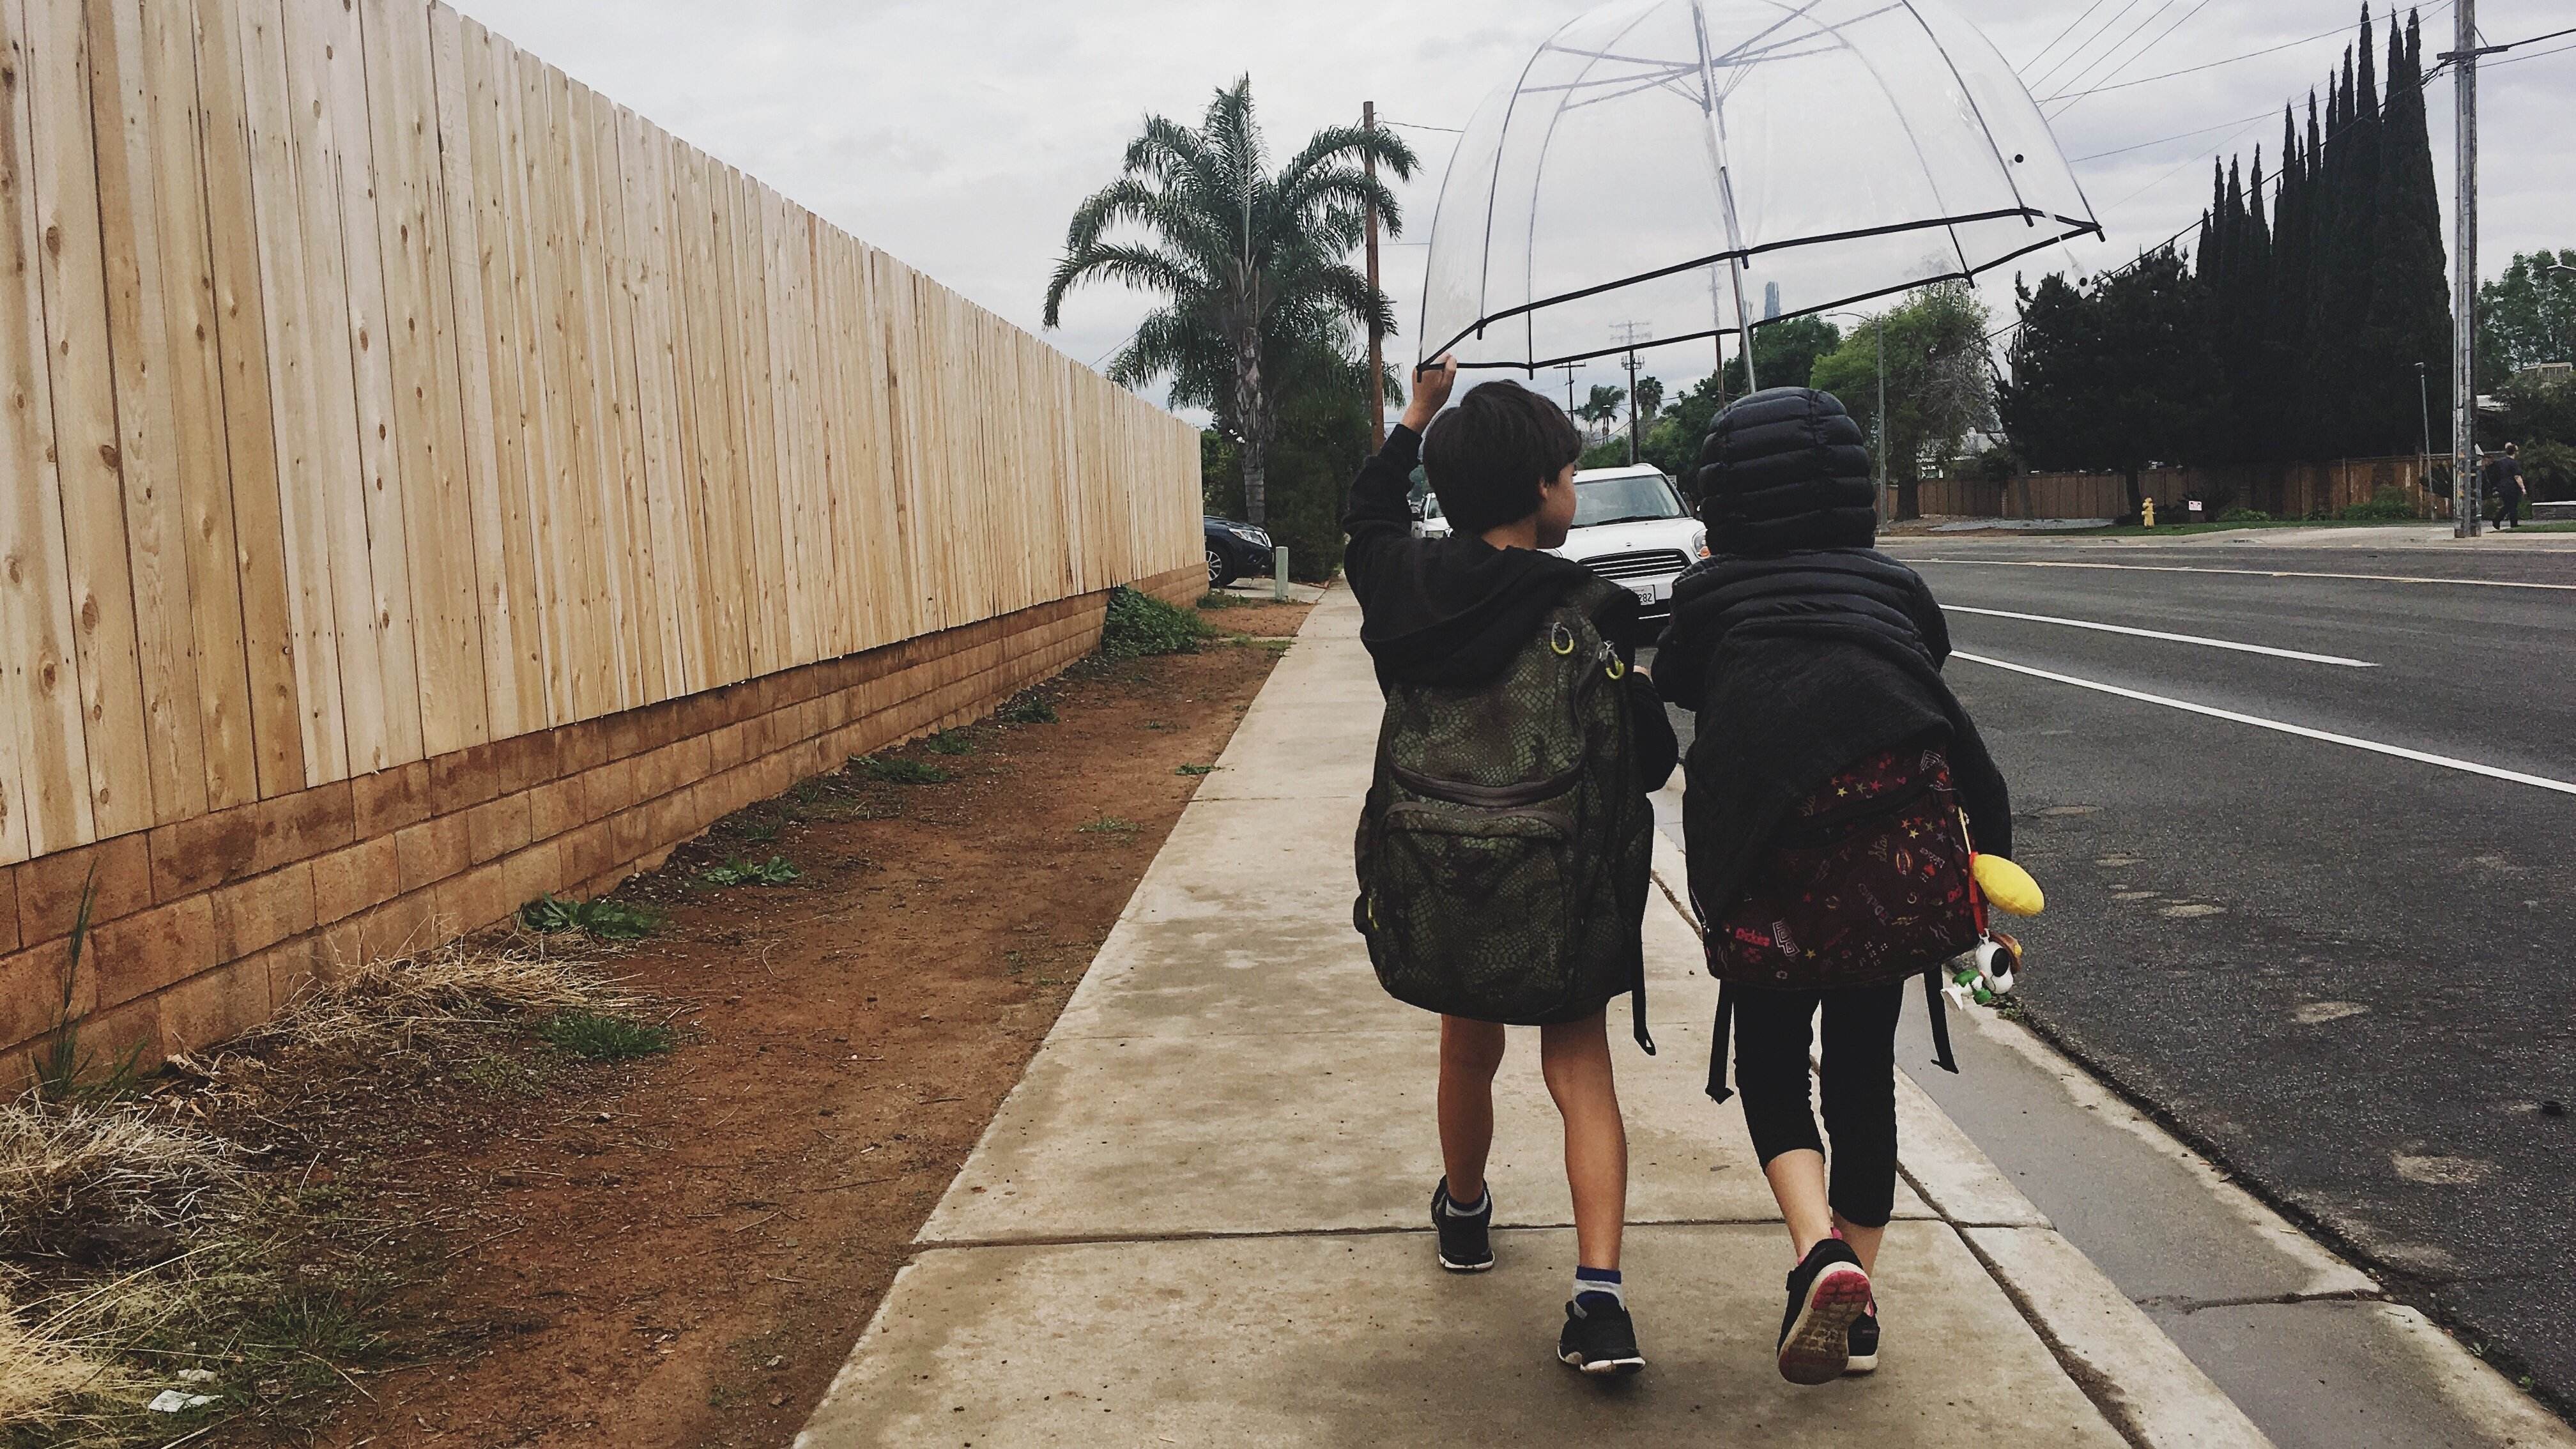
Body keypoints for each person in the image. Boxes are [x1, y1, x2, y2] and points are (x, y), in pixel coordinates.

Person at [1653, 388, 2014, 1385]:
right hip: (1887, 878)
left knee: (1773, 1059)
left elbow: (1678, 684)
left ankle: (1818, 1248)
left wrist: (1722, 592)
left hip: (1766, 860)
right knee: (1862, 1068)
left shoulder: (1711, 595)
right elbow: (1932, 683)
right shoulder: (1892, 588)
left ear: (1725, 498)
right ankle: (1860, 1308)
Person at [1342, 356, 1678, 1376]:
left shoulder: (1402, 588)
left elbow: (1368, 519)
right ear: (1538, 490)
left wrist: (1414, 417)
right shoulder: (1588, 607)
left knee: (1465, 1044)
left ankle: (1465, 1215)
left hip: (1440, 880)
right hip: (1556, 889)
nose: (1575, 492)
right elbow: (1654, 761)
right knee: (1577, 1068)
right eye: (1570, 476)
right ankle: (1600, 1303)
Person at [2486, 443, 2527, 529]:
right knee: (2512, 505)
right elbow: (2517, 476)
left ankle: (2508, 522)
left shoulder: (2500, 462)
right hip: (2511, 486)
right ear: (2515, 452)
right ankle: (2500, 521)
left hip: (2502, 486)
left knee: (2509, 505)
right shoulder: (2513, 463)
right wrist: (2523, 488)